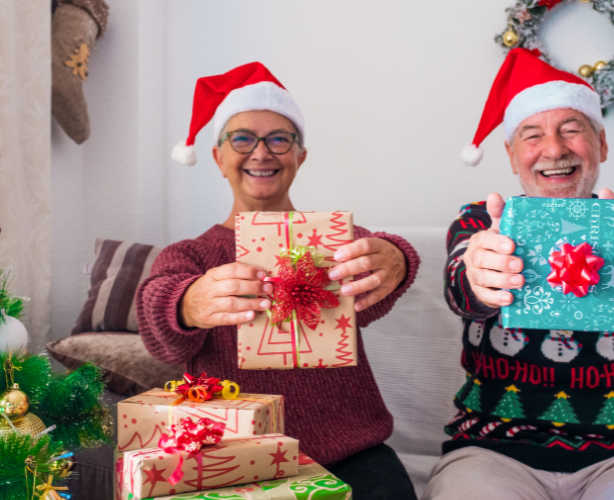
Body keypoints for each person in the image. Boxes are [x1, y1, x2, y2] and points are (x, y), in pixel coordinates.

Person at [425, 48, 614, 499]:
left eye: (571, 130)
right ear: (510, 155)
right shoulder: (480, 223)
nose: (554, 150)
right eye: (532, 135)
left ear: (601, 144)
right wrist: (480, 277)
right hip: (492, 453)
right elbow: (459, 287)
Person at [136, 62, 419, 500]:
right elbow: (158, 323)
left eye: (279, 139)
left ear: (299, 156)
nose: (261, 153)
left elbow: (381, 269)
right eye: (243, 138)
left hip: (354, 452)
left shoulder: (331, 238)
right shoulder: (190, 255)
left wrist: (398, 258)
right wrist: (187, 304)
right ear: (219, 157)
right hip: (235, 455)